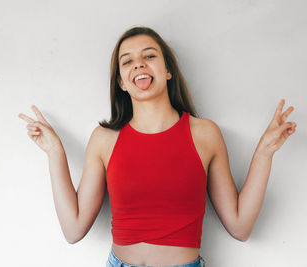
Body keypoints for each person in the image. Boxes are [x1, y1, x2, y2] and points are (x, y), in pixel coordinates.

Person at [18, 26, 297, 267]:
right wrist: (55, 152)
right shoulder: (104, 138)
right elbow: (73, 229)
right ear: (122, 83)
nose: (138, 64)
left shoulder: (205, 134)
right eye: (127, 62)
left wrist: (264, 152)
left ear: (167, 72)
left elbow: (240, 226)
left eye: (149, 56)